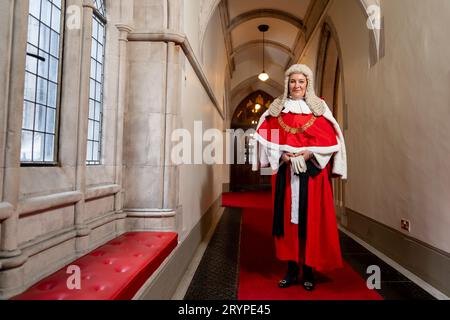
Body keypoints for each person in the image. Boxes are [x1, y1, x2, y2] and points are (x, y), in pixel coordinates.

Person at [251, 64, 347, 291]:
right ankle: (292, 270)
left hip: (312, 176)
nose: (297, 85)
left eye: (301, 81)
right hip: (286, 175)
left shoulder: (319, 107)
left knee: (311, 222)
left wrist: (309, 153)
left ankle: (309, 271)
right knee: (287, 224)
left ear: (308, 84)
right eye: (293, 81)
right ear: (287, 84)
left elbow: (332, 140)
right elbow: (265, 138)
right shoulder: (277, 109)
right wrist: (282, 155)